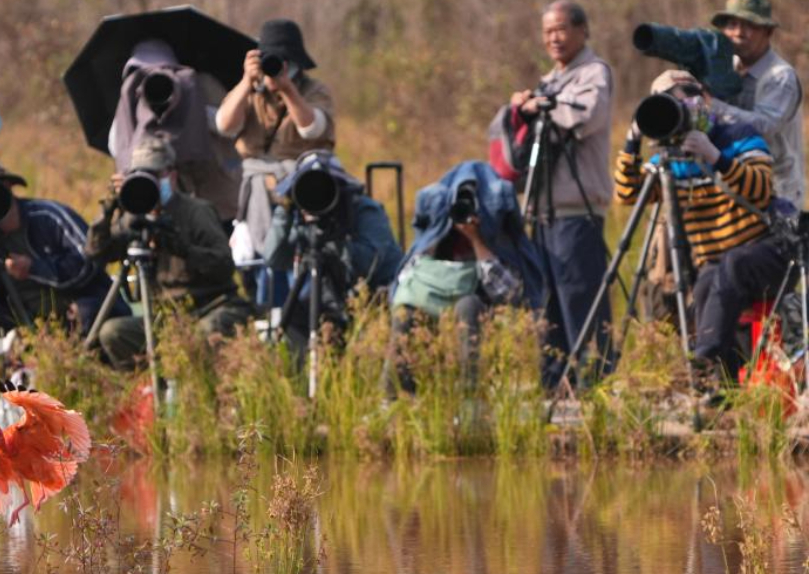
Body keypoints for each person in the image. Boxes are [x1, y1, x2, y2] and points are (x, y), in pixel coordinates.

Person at [615, 71, 778, 387]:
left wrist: (716, 158)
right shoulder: (671, 157)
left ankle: (700, 358)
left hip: (765, 248)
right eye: (668, 101)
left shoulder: (737, 135)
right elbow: (627, 194)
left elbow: (762, 190)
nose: (680, 106)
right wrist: (632, 140)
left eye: (685, 96)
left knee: (729, 266)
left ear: (704, 98)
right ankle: (723, 388)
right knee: (705, 283)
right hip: (717, 262)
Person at [508, 1, 613, 386]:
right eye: (548, 31)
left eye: (561, 29)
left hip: (578, 209)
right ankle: (554, 384)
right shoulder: (549, 80)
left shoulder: (594, 73)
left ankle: (593, 386)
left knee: (580, 302)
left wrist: (542, 108)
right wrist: (523, 107)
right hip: (543, 212)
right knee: (548, 305)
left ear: (582, 30)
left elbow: (588, 116)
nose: (554, 37)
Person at [87, 137, 251, 371]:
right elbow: (95, 253)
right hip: (165, 318)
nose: (150, 182)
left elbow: (224, 266)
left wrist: (182, 248)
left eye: (155, 174)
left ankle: (202, 389)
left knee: (207, 332)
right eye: (142, 175)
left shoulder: (196, 212)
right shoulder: (134, 218)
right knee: (113, 332)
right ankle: (153, 390)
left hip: (209, 306)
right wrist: (108, 210)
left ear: (171, 176)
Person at [389, 161, 546, 390]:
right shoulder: (440, 228)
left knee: (468, 306)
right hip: (432, 296)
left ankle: (469, 393)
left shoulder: (493, 235)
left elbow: (509, 292)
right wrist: (440, 235)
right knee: (404, 314)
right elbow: (407, 279)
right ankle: (395, 396)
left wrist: (476, 240)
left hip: (474, 298)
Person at [216, 19, 335, 305]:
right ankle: (267, 306)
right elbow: (224, 125)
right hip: (257, 195)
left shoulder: (313, 90)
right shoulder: (251, 93)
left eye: (280, 61)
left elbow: (312, 129)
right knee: (262, 259)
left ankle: (300, 309)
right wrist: (246, 82)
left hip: (305, 190)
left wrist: (287, 89)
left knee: (298, 252)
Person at [0, 158, 125, 335]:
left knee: (87, 312)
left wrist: (34, 268)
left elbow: (90, 262)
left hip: (75, 307)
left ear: (9, 189)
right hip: (23, 319)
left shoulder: (48, 216)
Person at [262, 151, 404, 348]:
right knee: (296, 316)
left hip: (373, 295)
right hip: (331, 298)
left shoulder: (363, 210)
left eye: (322, 189)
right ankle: (304, 375)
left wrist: (333, 238)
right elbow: (274, 258)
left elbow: (370, 264)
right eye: (307, 189)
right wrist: (285, 210)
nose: (315, 197)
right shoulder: (302, 215)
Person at [109, 39, 240, 223]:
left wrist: (190, 108)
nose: (150, 78)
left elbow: (229, 128)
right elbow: (117, 145)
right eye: (140, 73)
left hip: (212, 203)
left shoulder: (199, 88)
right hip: (153, 201)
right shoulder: (132, 97)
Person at [707, 0, 803, 209]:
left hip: (776, 194)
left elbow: (764, 126)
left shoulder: (780, 77)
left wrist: (711, 105)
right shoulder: (726, 69)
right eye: (732, 25)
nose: (739, 33)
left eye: (749, 25)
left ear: (768, 32)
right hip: (732, 186)